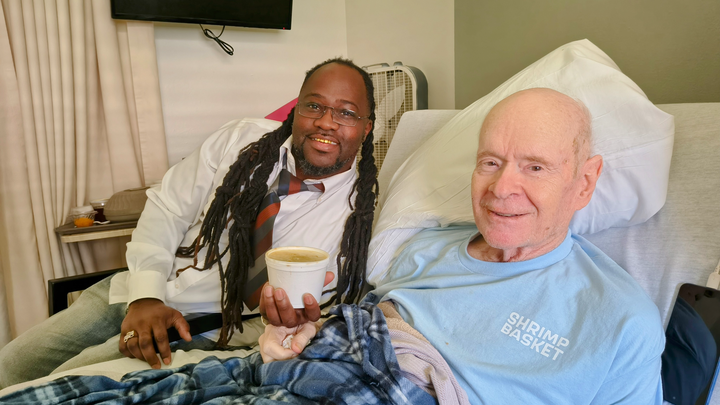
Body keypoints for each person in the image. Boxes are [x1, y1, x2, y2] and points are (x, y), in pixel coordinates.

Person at [259, 88, 666, 404]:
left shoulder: (621, 322)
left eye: (535, 167)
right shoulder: (422, 248)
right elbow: (363, 339)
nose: (501, 189)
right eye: (490, 163)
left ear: (585, 182)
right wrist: (300, 338)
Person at [0, 57, 379, 389]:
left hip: (200, 325)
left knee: (55, 385)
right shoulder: (241, 141)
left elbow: (318, 302)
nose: (326, 122)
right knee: (12, 365)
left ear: (366, 128)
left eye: (346, 113)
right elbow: (167, 208)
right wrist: (145, 296)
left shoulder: (359, 218)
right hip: (137, 286)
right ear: (296, 110)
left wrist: (292, 319)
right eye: (314, 106)